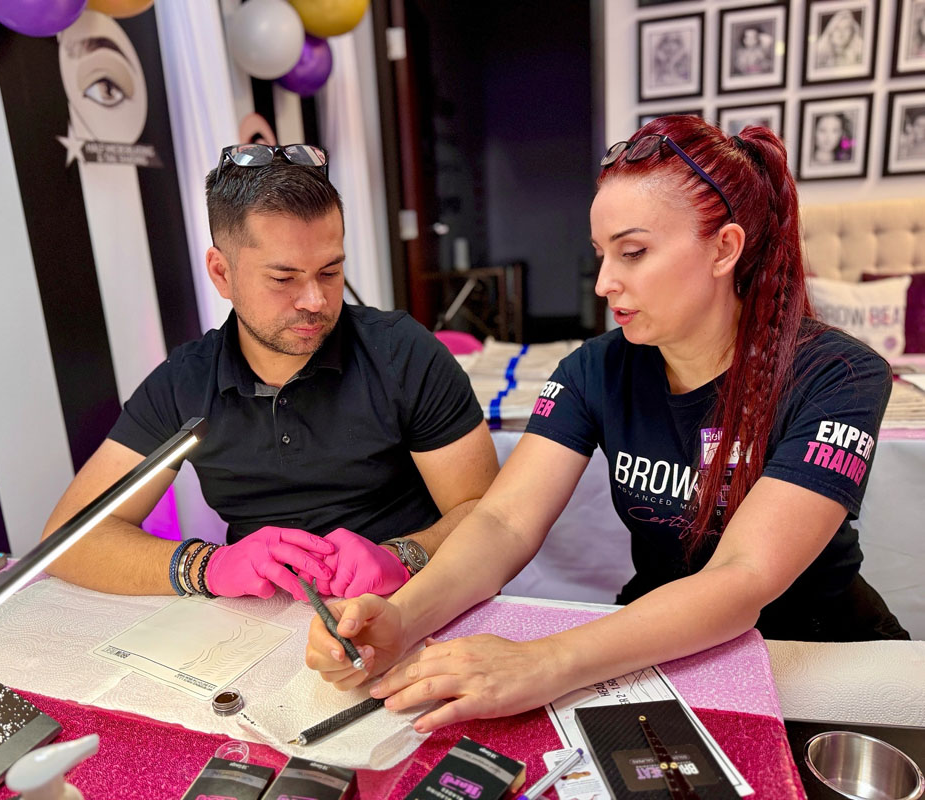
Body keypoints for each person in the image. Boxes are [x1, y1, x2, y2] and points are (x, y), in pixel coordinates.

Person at [305, 116, 908, 734]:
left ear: (725, 249)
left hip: (817, 658)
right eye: (602, 255)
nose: (604, 283)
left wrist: (546, 661)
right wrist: (403, 617)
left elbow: (742, 577)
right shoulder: (597, 368)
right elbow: (503, 520)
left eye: (634, 252)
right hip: (661, 646)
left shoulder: (839, 375)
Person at [40, 143, 499, 602]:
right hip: (256, 624)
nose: (315, 301)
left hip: (411, 601)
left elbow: (489, 515)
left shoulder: (401, 352)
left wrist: (404, 555)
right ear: (222, 274)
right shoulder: (186, 383)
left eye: (330, 271)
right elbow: (67, 540)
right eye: (283, 279)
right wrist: (210, 566)